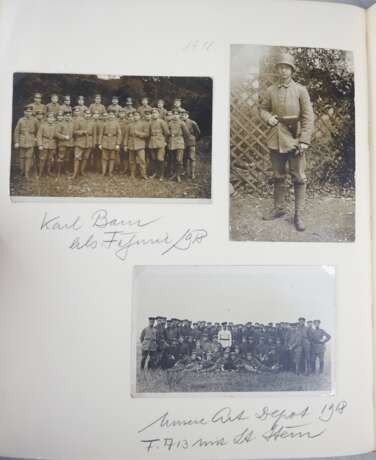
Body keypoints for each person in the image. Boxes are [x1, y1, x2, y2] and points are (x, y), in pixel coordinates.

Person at [259, 53, 314, 231]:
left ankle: (298, 215)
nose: (283, 70)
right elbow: (263, 109)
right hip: (276, 138)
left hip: (295, 138)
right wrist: (268, 118)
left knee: (298, 177)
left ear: (291, 70)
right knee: (278, 176)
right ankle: (279, 209)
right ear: (277, 70)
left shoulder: (300, 90)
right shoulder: (270, 90)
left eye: (286, 67)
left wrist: (304, 140)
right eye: (280, 67)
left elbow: (308, 117)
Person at [14, 105, 38, 179]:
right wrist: (16, 142)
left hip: (31, 141)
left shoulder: (35, 120)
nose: (28, 113)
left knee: (28, 157)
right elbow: (16, 132)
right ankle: (22, 171)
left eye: (30, 111)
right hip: (22, 141)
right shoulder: (21, 120)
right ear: (24, 112)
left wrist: (36, 138)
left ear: (32, 112)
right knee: (22, 157)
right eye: (27, 111)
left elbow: (38, 130)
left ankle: (27, 173)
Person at [123, 110, 149, 179]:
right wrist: (125, 145)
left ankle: (143, 174)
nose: (135, 117)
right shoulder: (129, 125)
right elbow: (126, 136)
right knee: (131, 160)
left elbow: (146, 134)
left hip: (140, 144)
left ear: (140, 116)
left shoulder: (144, 124)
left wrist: (138, 133)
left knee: (142, 160)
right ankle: (132, 174)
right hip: (131, 144)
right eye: (134, 115)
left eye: (137, 115)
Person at [72, 109, 96, 179]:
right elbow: (74, 132)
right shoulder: (79, 121)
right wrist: (82, 132)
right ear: (84, 114)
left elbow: (94, 134)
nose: (88, 115)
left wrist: (93, 143)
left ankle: (81, 171)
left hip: (89, 142)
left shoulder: (92, 122)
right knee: (77, 158)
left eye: (89, 114)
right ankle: (75, 173)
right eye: (86, 114)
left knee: (85, 157)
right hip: (80, 142)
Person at [167, 109, 189, 182]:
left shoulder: (182, 123)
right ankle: (173, 173)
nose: (175, 116)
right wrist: (170, 135)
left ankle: (178, 175)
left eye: (177, 114)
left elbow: (187, 134)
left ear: (179, 115)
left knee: (179, 160)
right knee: (172, 159)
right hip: (172, 142)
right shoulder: (169, 123)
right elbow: (167, 132)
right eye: (174, 114)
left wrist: (183, 142)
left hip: (179, 142)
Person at [98, 110, 122, 177]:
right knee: (104, 158)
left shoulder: (117, 123)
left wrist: (118, 144)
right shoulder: (104, 123)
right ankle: (103, 172)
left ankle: (110, 172)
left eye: (112, 115)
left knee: (112, 158)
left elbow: (119, 134)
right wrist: (100, 143)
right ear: (108, 115)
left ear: (114, 116)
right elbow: (100, 134)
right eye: (110, 114)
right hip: (105, 141)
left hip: (113, 141)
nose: (111, 116)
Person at [148, 108, 169, 180]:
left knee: (160, 158)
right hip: (152, 141)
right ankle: (155, 173)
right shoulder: (150, 122)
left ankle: (161, 175)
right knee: (153, 158)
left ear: (159, 114)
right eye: (153, 113)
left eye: (156, 113)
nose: (154, 114)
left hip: (160, 141)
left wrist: (165, 141)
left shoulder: (162, 122)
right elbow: (148, 133)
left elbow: (167, 133)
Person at [36, 112, 58, 177]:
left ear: (54, 119)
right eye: (49, 118)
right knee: (42, 159)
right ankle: (40, 173)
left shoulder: (54, 126)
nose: (51, 119)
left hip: (52, 144)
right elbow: (39, 135)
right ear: (47, 118)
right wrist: (40, 145)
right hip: (44, 144)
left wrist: (65, 137)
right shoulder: (43, 126)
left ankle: (48, 172)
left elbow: (56, 134)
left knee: (50, 159)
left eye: (52, 118)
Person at [182, 110, 200, 180]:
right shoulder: (181, 122)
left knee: (192, 158)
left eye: (185, 115)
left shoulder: (192, 123)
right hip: (183, 142)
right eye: (182, 115)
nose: (183, 116)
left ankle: (192, 173)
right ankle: (185, 171)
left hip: (191, 142)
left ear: (188, 115)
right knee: (184, 158)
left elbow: (198, 132)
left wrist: (193, 138)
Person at [55, 111, 73, 177]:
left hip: (70, 144)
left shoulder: (72, 123)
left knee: (67, 158)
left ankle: (65, 171)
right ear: (64, 116)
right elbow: (56, 133)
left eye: (69, 116)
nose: (68, 117)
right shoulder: (61, 123)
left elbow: (73, 133)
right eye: (66, 116)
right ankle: (58, 172)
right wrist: (64, 137)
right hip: (62, 143)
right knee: (60, 157)